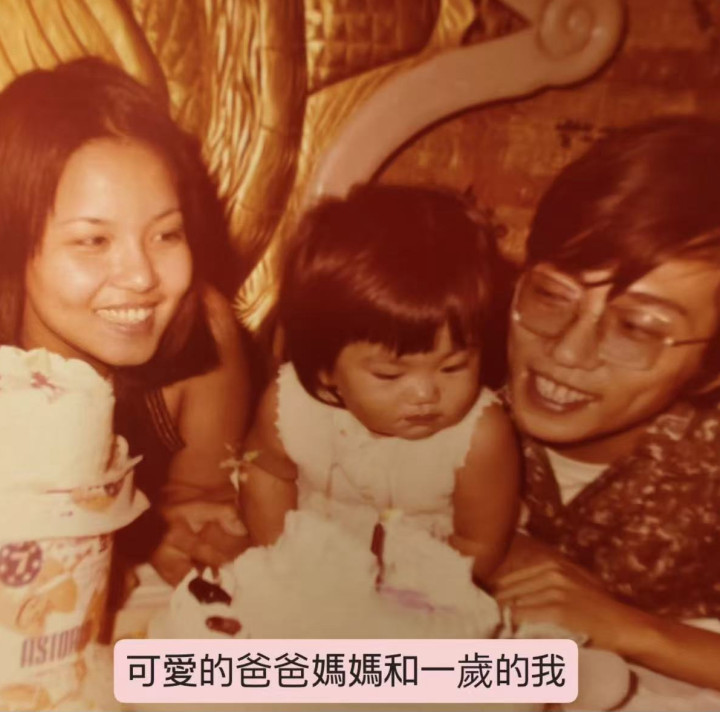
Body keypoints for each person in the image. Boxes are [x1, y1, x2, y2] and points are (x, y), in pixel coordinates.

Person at [0, 58, 251, 587]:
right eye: (93, 240)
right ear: (14, 242)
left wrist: (187, 534)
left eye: (166, 234)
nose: (142, 276)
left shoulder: (203, 333)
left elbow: (199, 502)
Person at [493, 117, 720, 690]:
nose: (566, 351)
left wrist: (630, 629)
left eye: (637, 328)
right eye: (551, 295)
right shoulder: (434, 393)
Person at [241, 184, 520, 581]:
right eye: (390, 374)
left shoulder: (480, 438)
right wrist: (278, 556)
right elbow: (266, 474)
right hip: (309, 564)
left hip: (424, 585)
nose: (426, 395)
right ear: (324, 368)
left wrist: (398, 595)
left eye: (453, 367)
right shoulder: (288, 407)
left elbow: (480, 545)